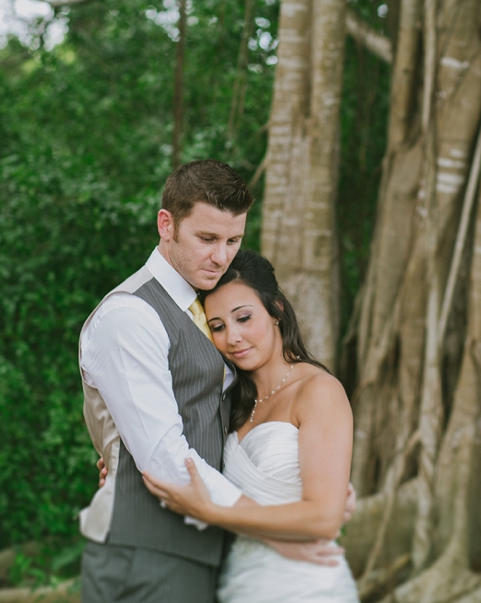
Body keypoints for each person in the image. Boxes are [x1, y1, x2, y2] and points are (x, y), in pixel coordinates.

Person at [78, 160, 334, 603]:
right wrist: (272, 528)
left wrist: (301, 499)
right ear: (166, 225)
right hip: (148, 555)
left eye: (233, 240)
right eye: (207, 238)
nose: (222, 256)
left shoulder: (208, 311)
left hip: (208, 557)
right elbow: (162, 457)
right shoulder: (130, 315)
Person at [142, 249, 360, 603]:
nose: (233, 338)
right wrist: (121, 462)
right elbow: (179, 464)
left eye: (244, 317)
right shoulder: (227, 403)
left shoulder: (318, 391)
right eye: (218, 327)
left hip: (309, 588)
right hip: (240, 585)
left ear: (276, 310)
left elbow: (324, 518)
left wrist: (212, 512)